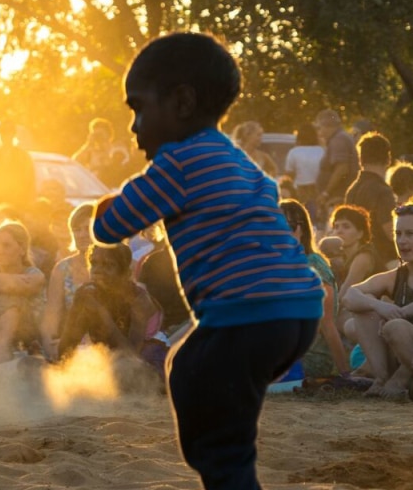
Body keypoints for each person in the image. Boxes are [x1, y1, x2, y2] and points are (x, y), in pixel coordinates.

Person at [91, 32, 322, 490]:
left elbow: (109, 228)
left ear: (181, 102)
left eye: (138, 108)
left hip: (245, 314)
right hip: (298, 311)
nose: (134, 127)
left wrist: (105, 204)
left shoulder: (176, 163)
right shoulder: (240, 162)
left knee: (217, 437)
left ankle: (228, 473)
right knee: (188, 364)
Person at [342, 202, 413, 400]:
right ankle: (382, 378)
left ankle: (401, 380)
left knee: (396, 326)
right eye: (397, 234)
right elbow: (349, 296)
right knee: (364, 307)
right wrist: (379, 306)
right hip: (406, 357)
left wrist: (402, 312)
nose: (402, 241)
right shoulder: (395, 276)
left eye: (410, 234)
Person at [56, 242, 166, 378]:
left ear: (125, 274)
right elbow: (66, 348)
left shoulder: (139, 300)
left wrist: (101, 313)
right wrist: (76, 307)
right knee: (29, 365)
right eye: (94, 263)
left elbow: (131, 357)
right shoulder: (88, 294)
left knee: (120, 370)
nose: (97, 270)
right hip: (108, 362)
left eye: (108, 265)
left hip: (147, 363)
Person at [279, 200, 351, 382]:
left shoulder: (313, 265)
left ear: (302, 230)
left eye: (289, 226)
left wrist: (345, 375)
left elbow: (327, 324)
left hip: (309, 358)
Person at [0, 221, 45, 363]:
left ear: (22, 249)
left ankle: (2, 354)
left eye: (6, 245)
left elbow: (11, 287)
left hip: (29, 333)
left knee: (10, 296)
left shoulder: (34, 273)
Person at [41, 203, 96, 360]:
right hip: (73, 341)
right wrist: (49, 344)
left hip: (109, 341)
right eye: (77, 230)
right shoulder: (62, 269)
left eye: (88, 229)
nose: (81, 234)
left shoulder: (117, 264)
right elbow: (52, 315)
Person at [345, 132, 398, 267]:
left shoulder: (352, 189)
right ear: (388, 159)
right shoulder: (383, 191)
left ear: (360, 159)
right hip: (383, 260)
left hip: (357, 258)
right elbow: (391, 232)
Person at [0, 118, 36, 216]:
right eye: (3, 131)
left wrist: (28, 207)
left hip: (18, 206)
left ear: (14, 134)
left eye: (9, 131)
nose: (6, 134)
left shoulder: (23, 156)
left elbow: (30, 182)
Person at [316, 109, 359, 213]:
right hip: (337, 195)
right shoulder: (339, 138)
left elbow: (342, 169)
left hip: (338, 196)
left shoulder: (339, 140)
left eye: (320, 127)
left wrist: (326, 192)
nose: (320, 133)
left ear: (327, 126)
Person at [284, 122, 324, 215]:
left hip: (299, 190)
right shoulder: (321, 151)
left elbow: (288, 175)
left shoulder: (294, 152)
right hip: (317, 190)